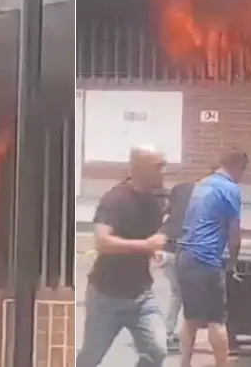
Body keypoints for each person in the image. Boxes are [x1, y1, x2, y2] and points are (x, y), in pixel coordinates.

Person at [76, 144, 169, 367]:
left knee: (157, 350)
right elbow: (102, 242)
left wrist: (156, 248)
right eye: (158, 166)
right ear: (140, 168)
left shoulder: (158, 199)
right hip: (106, 296)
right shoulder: (115, 199)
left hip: (141, 295)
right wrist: (145, 246)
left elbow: (156, 230)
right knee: (91, 356)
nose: (164, 171)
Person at [175, 149, 248, 367]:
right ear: (238, 167)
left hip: (185, 256)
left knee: (191, 318)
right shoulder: (230, 189)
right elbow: (234, 234)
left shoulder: (201, 185)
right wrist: (232, 263)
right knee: (217, 320)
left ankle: (184, 363)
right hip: (206, 258)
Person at [158, 180, 194, 352]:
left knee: (178, 293)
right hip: (179, 250)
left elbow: (164, 212)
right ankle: (167, 333)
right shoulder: (204, 196)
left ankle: (170, 332)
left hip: (166, 247)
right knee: (180, 294)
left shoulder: (180, 189)